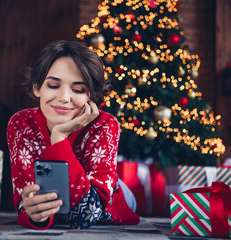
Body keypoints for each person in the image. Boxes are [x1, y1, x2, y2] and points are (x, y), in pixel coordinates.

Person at [7, 40, 140, 229]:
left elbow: (88, 214)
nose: (64, 97)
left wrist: (59, 138)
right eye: (53, 85)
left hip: (116, 199)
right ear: (37, 87)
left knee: (121, 192)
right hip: (84, 189)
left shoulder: (106, 125)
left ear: (90, 96)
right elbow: (26, 201)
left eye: (78, 89)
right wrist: (36, 215)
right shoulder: (21, 124)